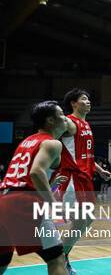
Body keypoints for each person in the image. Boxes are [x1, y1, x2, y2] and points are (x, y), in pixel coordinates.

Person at [0, 101, 68, 275]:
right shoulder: (53, 143)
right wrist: (55, 205)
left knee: (2, 258)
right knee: (56, 258)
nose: (65, 118)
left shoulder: (27, 141)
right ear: (50, 120)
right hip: (24, 204)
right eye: (61, 114)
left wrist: (50, 185)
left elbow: (22, 177)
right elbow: (36, 173)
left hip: (3, 201)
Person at [53, 89, 111, 274]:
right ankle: (58, 259)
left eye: (88, 99)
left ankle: (62, 257)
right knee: (81, 220)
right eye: (84, 99)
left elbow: (86, 155)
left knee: (87, 220)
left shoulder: (86, 125)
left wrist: (100, 170)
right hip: (72, 179)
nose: (88, 102)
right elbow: (49, 139)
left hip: (85, 179)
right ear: (73, 103)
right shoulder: (69, 123)